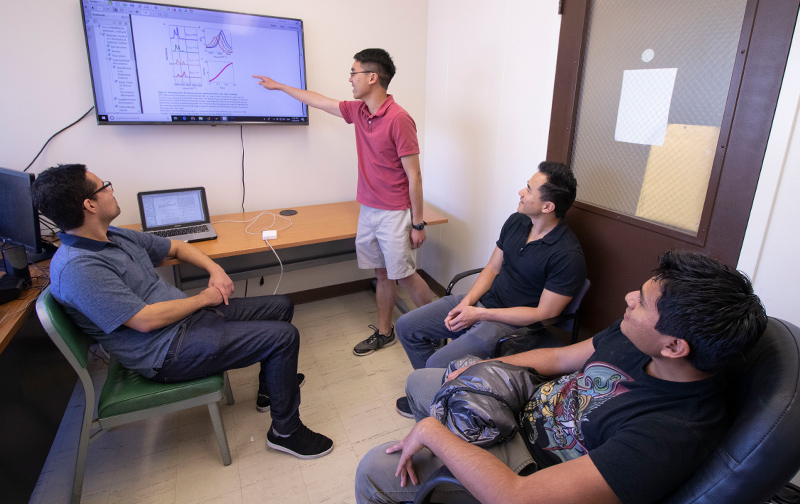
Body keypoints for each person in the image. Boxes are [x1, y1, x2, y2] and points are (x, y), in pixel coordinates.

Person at [354, 250, 767, 504]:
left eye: (640, 303)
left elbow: (519, 498)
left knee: (373, 468)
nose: (627, 299)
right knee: (424, 381)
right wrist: (482, 370)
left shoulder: (671, 433)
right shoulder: (636, 338)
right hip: (524, 409)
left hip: (527, 468)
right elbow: (559, 356)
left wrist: (431, 432)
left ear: (675, 346)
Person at [31, 164, 333, 460]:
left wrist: (214, 270)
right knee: (283, 337)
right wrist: (204, 298)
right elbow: (144, 320)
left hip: (184, 321)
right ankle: (286, 432)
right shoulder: (79, 267)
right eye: (104, 186)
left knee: (280, 306)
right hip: (163, 352)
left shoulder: (112, 236)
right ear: (90, 204)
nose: (111, 190)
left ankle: (270, 391)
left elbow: (176, 247)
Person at [253, 48, 433, 357]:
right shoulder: (359, 111)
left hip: (394, 213)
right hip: (369, 209)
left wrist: (418, 223)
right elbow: (319, 101)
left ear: (372, 77)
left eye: (354, 73)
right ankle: (384, 332)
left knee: (404, 275)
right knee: (380, 273)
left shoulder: (399, 119)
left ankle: (442, 330)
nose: (350, 79)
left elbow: (414, 176)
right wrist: (280, 86)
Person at [393, 161, 586, 417]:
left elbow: (543, 313)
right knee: (407, 327)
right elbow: (492, 268)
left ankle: (439, 405)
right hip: (484, 303)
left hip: (514, 325)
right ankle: (432, 397)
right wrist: (467, 303)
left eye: (528, 189)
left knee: (436, 363)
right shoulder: (517, 222)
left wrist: (480, 314)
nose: (521, 192)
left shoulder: (567, 255)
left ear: (547, 206)